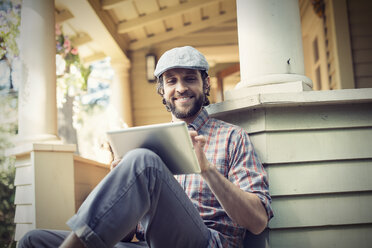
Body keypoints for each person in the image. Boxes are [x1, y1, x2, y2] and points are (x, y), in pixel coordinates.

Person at [19, 46, 273, 248]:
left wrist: (206, 169)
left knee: (144, 161)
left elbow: (258, 222)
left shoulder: (232, 137)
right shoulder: (146, 140)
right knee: (33, 241)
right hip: (145, 244)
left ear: (205, 84)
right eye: (171, 81)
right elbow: (128, 234)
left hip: (206, 242)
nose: (181, 87)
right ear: (162, 91)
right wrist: (121, 181)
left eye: (189, 79)